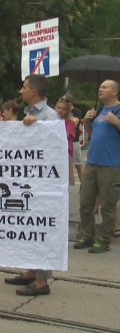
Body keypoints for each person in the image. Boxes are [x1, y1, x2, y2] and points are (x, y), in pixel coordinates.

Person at [4, 74, 60, 296]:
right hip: (29, 180)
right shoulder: (29, 112)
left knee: (41, 229)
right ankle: (31, 271)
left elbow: (52, 147)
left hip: (43, 184)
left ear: (34, 91)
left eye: (24, 87)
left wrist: (38, 128)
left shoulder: (49, 116)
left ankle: (42, 281)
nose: (20, 91)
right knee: (29, 227)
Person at [73, 80, 120, 254]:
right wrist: (86, 122)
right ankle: (86, 235)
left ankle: (104, 240)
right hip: (92, 162)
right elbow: (94, 135)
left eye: (104, 87)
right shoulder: (100, 111)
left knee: (108, 205)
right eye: (100, 87)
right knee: (86, 202)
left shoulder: (118, 110)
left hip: (111, 165)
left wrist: (117, 122)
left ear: (114, 92)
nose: (100, 89)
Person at [55, 97, 77, 185]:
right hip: (53, 151)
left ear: (67, 111)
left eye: (64, 109)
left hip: (66, 152)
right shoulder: (52, 121)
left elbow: (66, 135)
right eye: (59, 107)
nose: (60, 110)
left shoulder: (70, 123)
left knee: (65, 176)